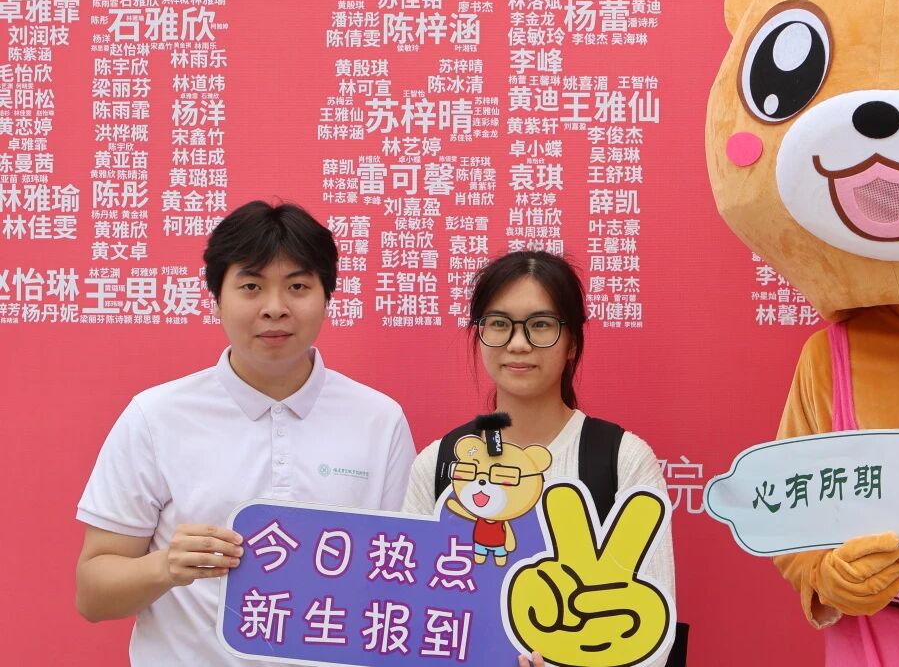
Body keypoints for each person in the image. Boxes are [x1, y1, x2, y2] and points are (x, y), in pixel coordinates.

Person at [75, 200, 416, 666]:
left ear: (327, 297)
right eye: (251, 287)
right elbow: (92, 595)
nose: (275, 308)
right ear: (217, 298)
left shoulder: (379, 420)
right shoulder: (156, 416)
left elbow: (402, 583)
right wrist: (165, 566)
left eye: (298, 286)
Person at [402, 251, 676, 667]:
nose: (518, 343)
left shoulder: (622, 460)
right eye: (499, 324)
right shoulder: (438, 464)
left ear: (572, 343)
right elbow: (408, 613)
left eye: (541, 325)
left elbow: (652, 633)